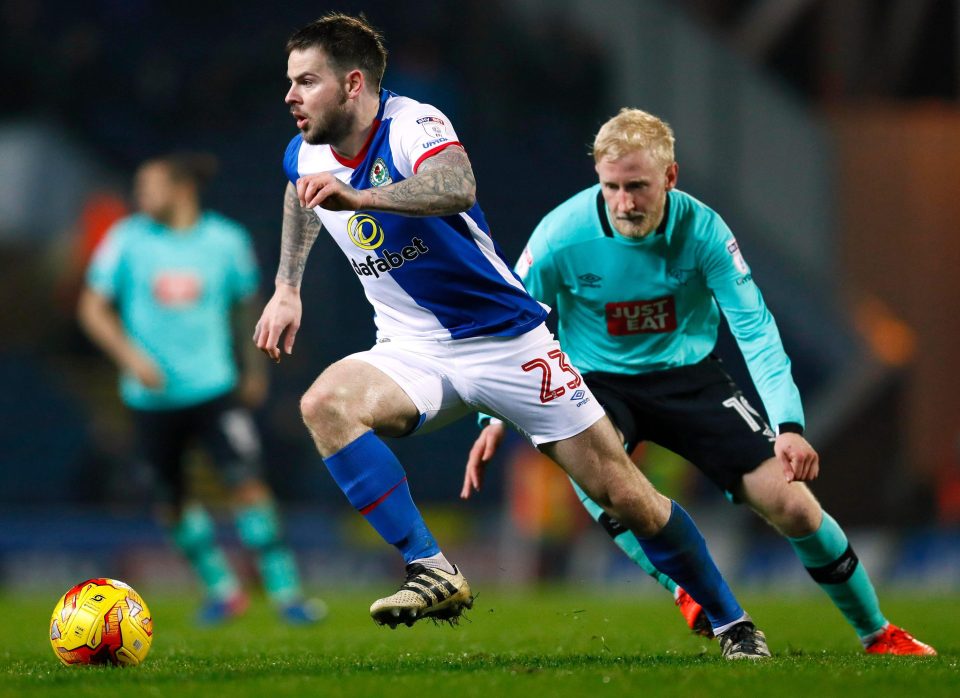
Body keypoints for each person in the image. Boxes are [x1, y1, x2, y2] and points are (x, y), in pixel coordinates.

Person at [254, 12, 771, 659]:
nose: (290, 96)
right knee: (324, 404)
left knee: (626, 494)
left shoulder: (415, 123)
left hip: (506, 343)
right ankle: (432, 568)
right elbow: (297, 193)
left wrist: (361, 199)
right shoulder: (305, 148)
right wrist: (287, 287)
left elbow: (455, 185)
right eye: (290, 82)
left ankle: (732, 622)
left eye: (306, 81)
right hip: (413, 349)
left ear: (353, 83)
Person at [461, 108, 936, 656]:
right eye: (611, 187)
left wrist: (788, 423)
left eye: (637, 187)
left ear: (670, 177)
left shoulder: (705, 230)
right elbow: (515, 322)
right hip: (597, 381)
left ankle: (877, 633)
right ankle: (684, 586)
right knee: (599, 478)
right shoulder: (560, 236)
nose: (624, 203)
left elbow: (754, 326)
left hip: (692, 380)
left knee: (796, 507)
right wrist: (493, 415)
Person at [78, 153, 323, 626]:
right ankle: (223, 591)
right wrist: (131, 359)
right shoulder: (125, 239)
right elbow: (93, 307)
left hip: (213, 388)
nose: (139, 196)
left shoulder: (225, 240)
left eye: (149, 186)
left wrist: (254, 368)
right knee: (172, 500)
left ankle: (286, 592)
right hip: (149, 398)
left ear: (182, 188)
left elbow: (244, 305)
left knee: (248, 485)